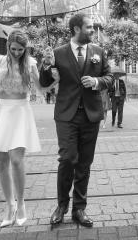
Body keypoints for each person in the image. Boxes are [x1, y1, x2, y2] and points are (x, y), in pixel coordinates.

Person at [40, 13, 113, 228]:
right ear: (76, 29)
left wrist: (97, 81)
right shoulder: (57, 53)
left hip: (91, 115)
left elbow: (109, 77)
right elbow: (45, 82)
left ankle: (79, 208)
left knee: (84, 163)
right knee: (67, 159)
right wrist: (46, 67)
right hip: (66, 115)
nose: (93, 30)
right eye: (89, 27)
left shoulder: (99, 52)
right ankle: (61, 205)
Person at [0, 30, 42, 228]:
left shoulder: (30, 64)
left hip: (21, 111)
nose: (16, 53)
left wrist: (53, 75)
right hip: (2, 111)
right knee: (2, 161)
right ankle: (9, 205)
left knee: (16, 160)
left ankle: (21, 203)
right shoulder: (0, 61)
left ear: (25, 49)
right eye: (13, 49)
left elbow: (42, 88)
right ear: (8, 46)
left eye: (20, 50)